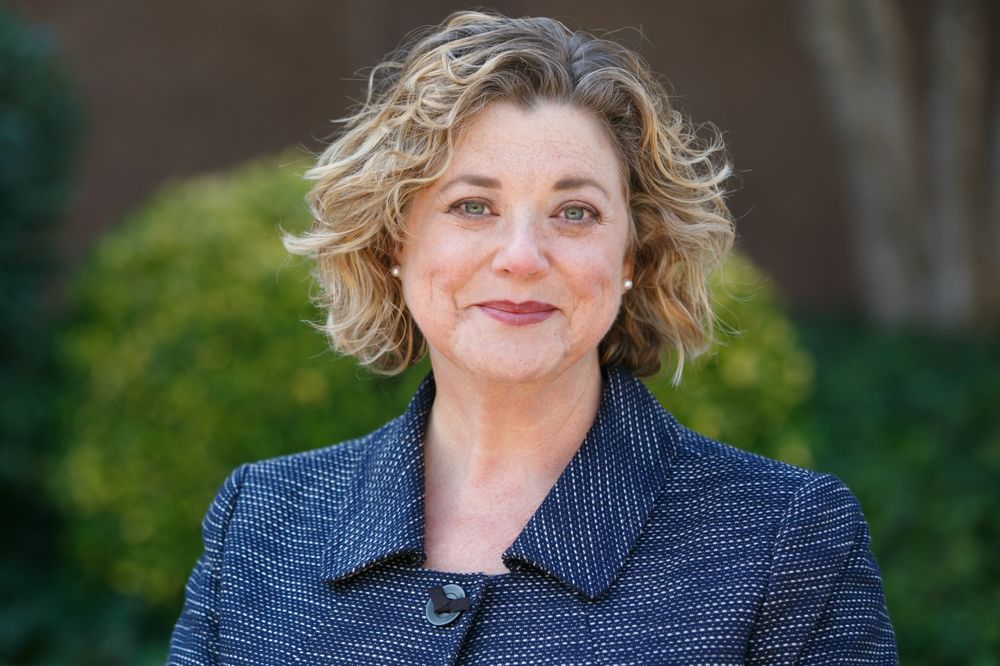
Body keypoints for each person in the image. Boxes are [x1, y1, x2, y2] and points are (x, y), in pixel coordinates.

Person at [168, 10, 897, 664]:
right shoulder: (259, 523)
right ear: (395, 242)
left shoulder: (783, 541)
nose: (521, 257)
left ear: (631, 256)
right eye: (473, 205)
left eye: (575, 213)